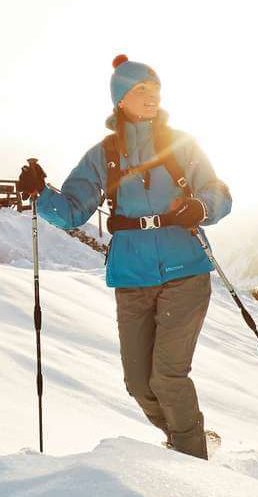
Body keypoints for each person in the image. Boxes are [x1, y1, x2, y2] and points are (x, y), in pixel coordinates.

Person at [16, 55, 233, 459]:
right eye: (141, 90)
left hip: (185, 271)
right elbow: (73, 210)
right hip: (131, 276)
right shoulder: (104, 155)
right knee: (138, 383)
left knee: (168, 377)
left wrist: (201, 208)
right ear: (120, 99)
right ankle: (188, 438)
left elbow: (219, 194)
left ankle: (194, 463)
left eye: (155, 90)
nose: (151, 98)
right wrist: (40, 194)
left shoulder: (180, 144)